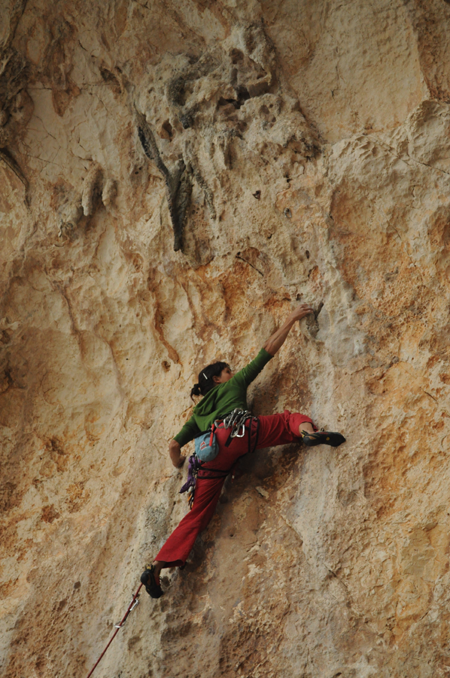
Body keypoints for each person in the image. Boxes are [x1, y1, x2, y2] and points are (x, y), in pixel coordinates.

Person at [141, 304, 345, 598]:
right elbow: (267, 351)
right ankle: (309, 434)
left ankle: (158, 566)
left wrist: (179, 465)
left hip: (211, 459)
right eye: (227, 370)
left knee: (197, 515)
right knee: (288, 421)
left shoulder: (197, 413)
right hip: (240, 432)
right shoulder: (234, 384)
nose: (232, 372)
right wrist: (290, 318)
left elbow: (174, 446)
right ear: (218, 379)